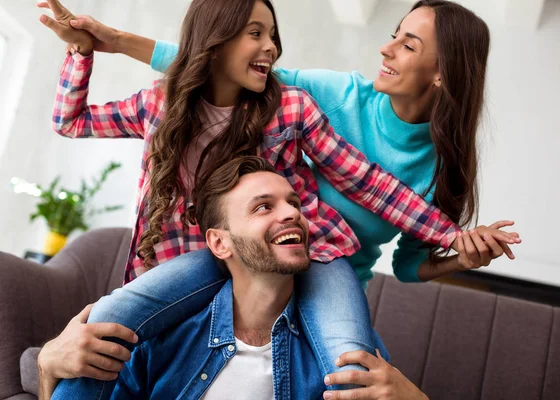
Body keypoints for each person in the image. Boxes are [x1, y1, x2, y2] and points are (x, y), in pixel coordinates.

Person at [35, 0, 519, 398]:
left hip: (327, 260)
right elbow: (199, 65)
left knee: (353, 366)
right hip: (219, 255)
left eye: (408, 43)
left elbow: (371, 187)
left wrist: (456, 242)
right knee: (108, 323)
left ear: (442, 72)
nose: (386, 47)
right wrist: (97, 47)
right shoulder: (329, 93)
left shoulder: (290, 111)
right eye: (256, 34)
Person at [52, 155, 429, 400]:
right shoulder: (165, 339)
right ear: (219, 243)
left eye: (293, 203)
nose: (292, 214)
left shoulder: (343, 347)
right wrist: (46, 368)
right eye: (263, 206)